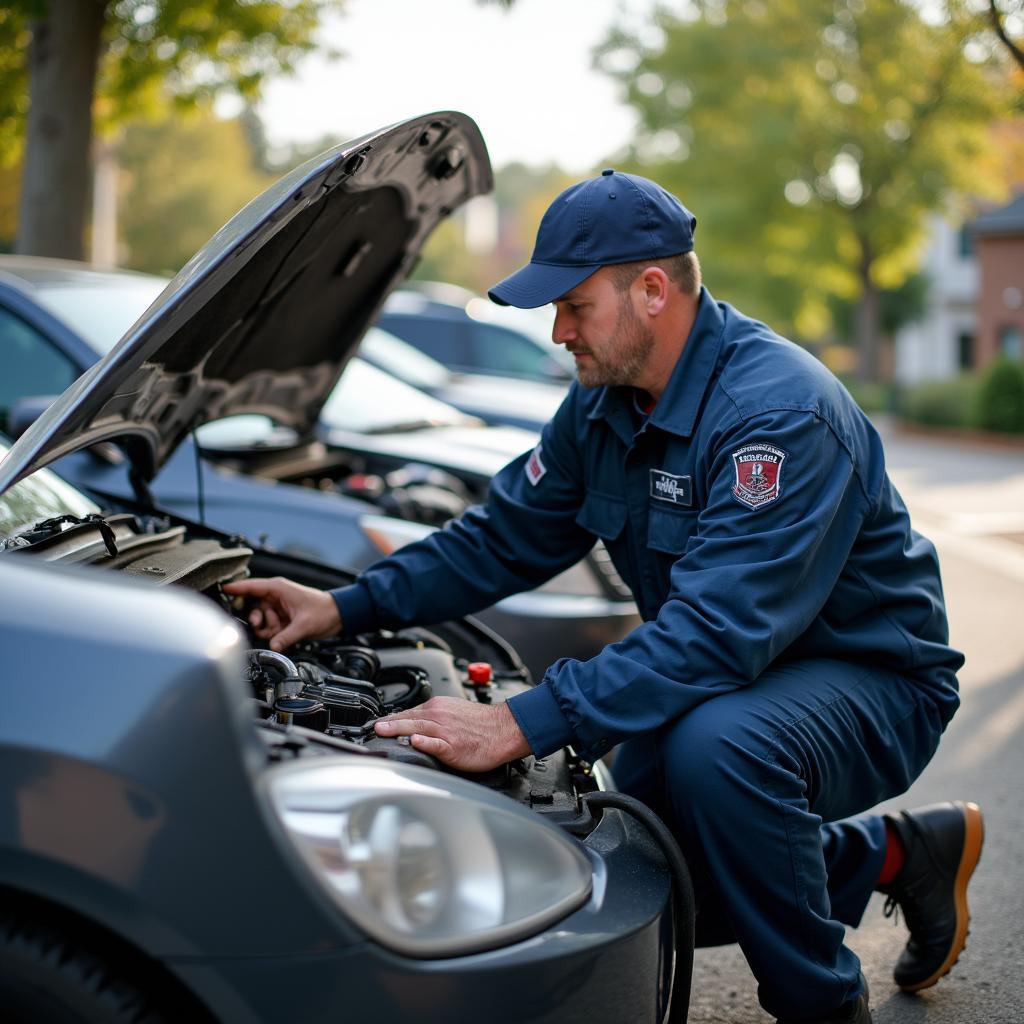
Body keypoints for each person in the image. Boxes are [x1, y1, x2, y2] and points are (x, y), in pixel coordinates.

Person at [226, 170, 983, 1024]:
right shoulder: (602, 406)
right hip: (738, 681)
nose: (558, 333)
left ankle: (825, 1005)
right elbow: (500, 538)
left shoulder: (776, 416)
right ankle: (896, 856)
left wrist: (519, 722)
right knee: (642, 862)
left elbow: (714, 635)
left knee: (717, 754)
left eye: (575, 307)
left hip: (870, 681)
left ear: (651, 291)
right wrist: (346, 606)